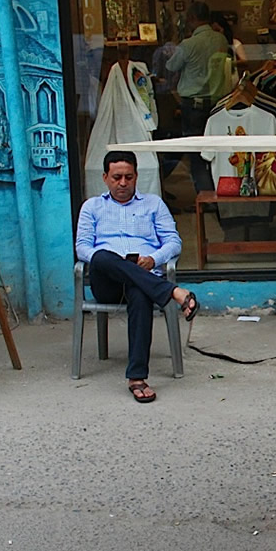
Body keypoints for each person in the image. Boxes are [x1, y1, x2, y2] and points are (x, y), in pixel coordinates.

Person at [75, 150, 200, 403]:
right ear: (105, 177)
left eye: (128, 177)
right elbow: (82, 248)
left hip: (143, 276)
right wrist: (118, 263)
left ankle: (137, 377)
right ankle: (172, 292)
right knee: (101, 256)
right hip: (107, 281)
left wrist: (153, 259)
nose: (123, 183)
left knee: (141, 295)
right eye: (116, 177)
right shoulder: (92, 207)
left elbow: (174, 242)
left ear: (136, 177)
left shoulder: (154, 204)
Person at [166, 1, 229, 193]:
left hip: (193, 104)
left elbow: (171, 66)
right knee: (217, 150)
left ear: (192, 19)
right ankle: (220, 189)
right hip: (217, 103)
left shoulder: (189, 44)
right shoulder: (221, 40)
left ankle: (206, 195)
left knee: (197, 153)